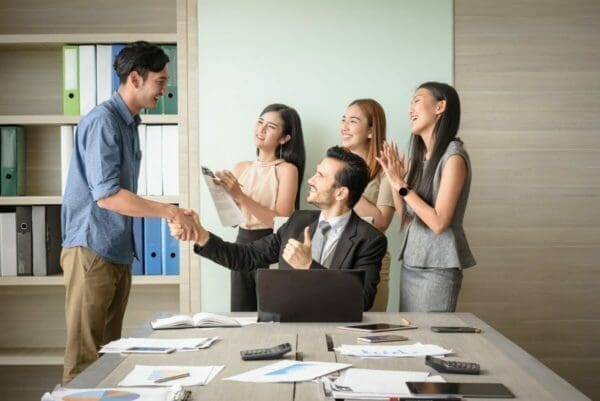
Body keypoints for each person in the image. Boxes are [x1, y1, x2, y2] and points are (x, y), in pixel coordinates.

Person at [60, 41, 198, 384]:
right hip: (91, 249)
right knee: (83, 361)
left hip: (117, 250)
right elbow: (106, 196)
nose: (165, 91)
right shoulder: (103, 122)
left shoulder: (130, 123)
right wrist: (169, 211)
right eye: (160, 82)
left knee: (107, 359)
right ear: (135, 78)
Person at [171, 146, 387, 310]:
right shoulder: (297, 221)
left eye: (320, 176)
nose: (311, 180)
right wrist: (200, 235)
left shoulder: (370, 239)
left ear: (341, 193)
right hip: (287, 326)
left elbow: (362, 300)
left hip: (335, 331)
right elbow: (246, 257)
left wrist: (309, 267)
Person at [377, 81, 476, 312]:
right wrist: (394, 180)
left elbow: (439, 222)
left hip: (438, 268)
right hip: (412, 262)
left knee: (431, 342)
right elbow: (407, 217)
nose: (410, 109)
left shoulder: (454, 157)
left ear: (440, 107)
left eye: (417, 101)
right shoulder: (423, 159)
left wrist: (401, 185)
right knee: (412, 339)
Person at [214, 104, 305, 312]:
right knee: (240, 315)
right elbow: (232, 221)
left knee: (270, 316)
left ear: (284, 138)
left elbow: (281, 221)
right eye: (260, 122)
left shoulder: (287, 170)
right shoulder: (241, 167)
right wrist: (221, 197)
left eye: (271, 126)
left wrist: (239, 195)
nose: (261, 129)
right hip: (241, 243)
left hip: (270, 246)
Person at [341, 99, 394, 311]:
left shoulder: (386, 169)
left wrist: (347, 187)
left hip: (371, 261)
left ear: (371, 131)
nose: (344, 127)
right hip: (336, 257)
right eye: (343, 120)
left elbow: (381, 222)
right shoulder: (335, 163)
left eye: (353, 121)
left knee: (370, 332)